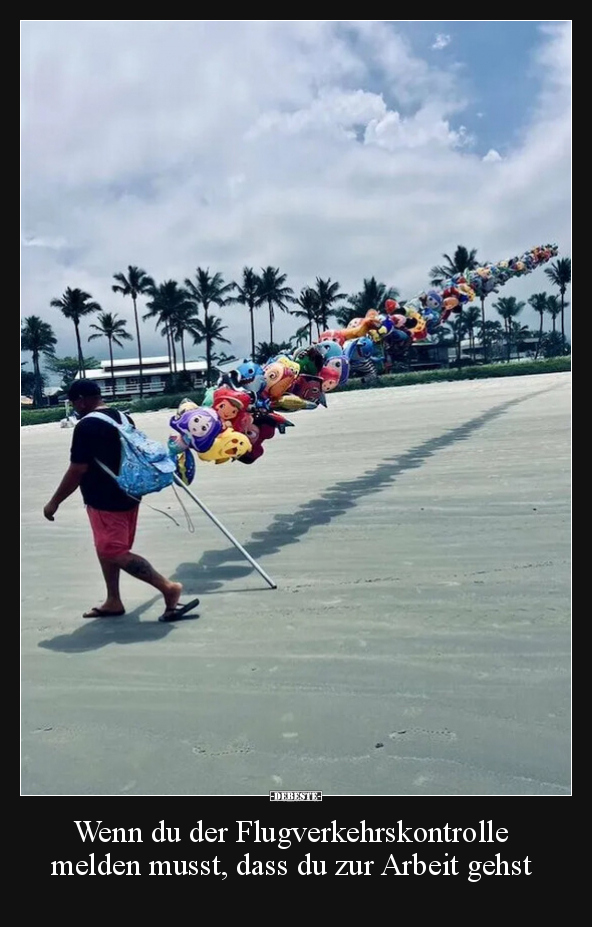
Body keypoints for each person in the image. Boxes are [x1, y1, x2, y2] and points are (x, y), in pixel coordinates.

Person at [43, 379, 199, 622]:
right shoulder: (123, 417)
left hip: (104, 499)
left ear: (81, 400)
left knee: (112, 550)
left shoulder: (86, 426)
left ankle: (169, 588)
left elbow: (77, 469)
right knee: (108, 549)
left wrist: (54, 502)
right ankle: (113, 600)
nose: (74, 407)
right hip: (130, 492)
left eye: (74, 402)